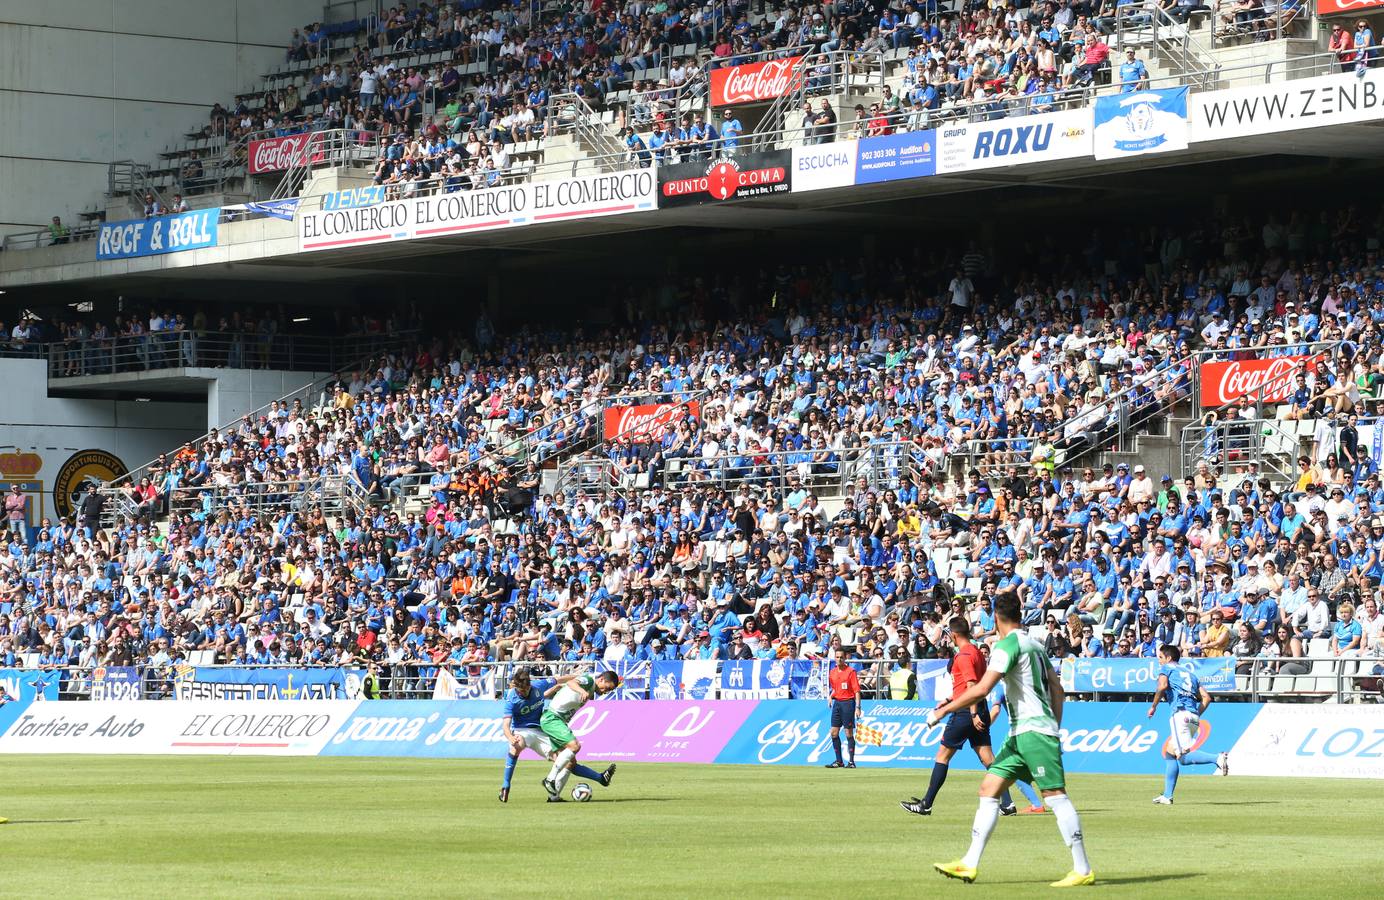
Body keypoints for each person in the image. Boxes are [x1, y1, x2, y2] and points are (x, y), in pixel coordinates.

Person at [929, 592, 1094, 888]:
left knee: (1055, 796)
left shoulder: (1006, 646)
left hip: (1033, 732)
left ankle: (1082, 869)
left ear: (995, 617)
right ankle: (969, 863)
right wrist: (1055, 724)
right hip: (1022, 734)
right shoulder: (1036, 645)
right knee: (988, 788)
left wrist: (943, 710)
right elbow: (1058, 689)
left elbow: (981, 690)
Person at [902, 618, 1016, 816]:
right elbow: (969, 685)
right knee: (987, 758)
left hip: (966, 712)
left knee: (942, 756)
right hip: (978, 707)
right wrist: (948, 699)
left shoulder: (963, 656)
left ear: (954, 635)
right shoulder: (977, 653)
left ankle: (926, 804)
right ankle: (1007, 804)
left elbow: (972, 686)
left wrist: (971, 713)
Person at [498, 668, 603, 803]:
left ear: (530, 685)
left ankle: (598, 779)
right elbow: (506, 724)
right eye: (520, 690)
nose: (522, 693)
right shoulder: (511, 698)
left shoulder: (538, 686)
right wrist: (510, 737)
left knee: (569, 761)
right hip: (522, 730)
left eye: (524, 690)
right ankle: (506, 786)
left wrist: (577, 676)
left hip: (541, 731)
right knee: (517, 745)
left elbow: (558, 679)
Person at [1147, 644, 1229, 805]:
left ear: (1168, 658)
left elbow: (1162, 686)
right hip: (1192, 716)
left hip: (1180, 714)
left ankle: (1217, 758)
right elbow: (1207, 698)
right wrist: (1195, 714)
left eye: (1161, 658)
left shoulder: (1167, 669)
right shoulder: (1190, 674)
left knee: (1182, 756)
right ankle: (1167, 796)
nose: (1159, 662)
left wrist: (1153, 706)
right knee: (1170, 754)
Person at [539, 670, 619, 801]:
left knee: (570, 763)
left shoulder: (591, 686)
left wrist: (560, 682)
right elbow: (572, 682)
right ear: (602, 679)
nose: (606, 692)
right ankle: (550, 779)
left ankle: (554, 796)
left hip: (558, 721)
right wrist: (581, 691)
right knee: (575, 746)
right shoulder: (589, 681)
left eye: (609, 691)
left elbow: (574, 679)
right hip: (552, 718)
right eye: (607, 688)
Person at [988, 679, 1047, 815]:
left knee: (1003, 766)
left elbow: (995, 710)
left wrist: (983, 729)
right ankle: (1040, 803)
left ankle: (1033, 805)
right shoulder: (1025, 682)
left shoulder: (999, 686)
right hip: (1039, 728)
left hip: (1019, 732)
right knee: (1020, 768)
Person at [825, 648, 860, 768]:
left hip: (848, 704)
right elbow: (836, 688)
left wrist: (858, 707)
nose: (839, 659)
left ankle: (851, 762)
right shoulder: (833, 672)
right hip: (837, 703)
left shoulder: (851, 671)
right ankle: (839, 761)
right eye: (837, 657)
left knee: (848, 733)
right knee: (834, 732)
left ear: (845, 658)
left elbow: (856, 691)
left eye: (841, 657)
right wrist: (831, 696)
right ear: (834, 658)